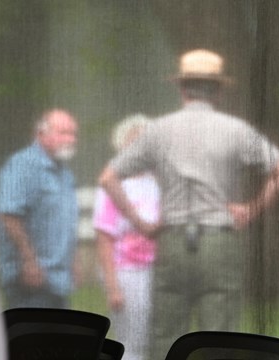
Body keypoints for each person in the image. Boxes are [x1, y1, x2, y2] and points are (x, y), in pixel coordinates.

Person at [98, 49, 279, 359]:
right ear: (218, 90)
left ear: (182, 89)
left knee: (165, 336)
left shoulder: (158, 130)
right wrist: (251, 209)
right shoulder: (235, 130)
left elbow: (108, 177)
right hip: (218, 240)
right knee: (219, 339)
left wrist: (142, 224)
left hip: (173, 240)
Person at [0, 109, 79, 309]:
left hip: (57, 279)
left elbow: (66, 220)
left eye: (73, 134)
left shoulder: (65, 174)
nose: (71, 139)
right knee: (35, 338)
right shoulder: (21, 166)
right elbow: (9, 215)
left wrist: (73, 260)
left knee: (57, 338)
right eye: (63, 133)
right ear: (41, 134)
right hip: (30, 280)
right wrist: (29, 261)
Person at [93, 114, 159, 360]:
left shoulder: (156, 181)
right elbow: (103, 237)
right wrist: (113, 286)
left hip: (156, 271)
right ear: (123, 146)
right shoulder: (113, 183)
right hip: (127, 272)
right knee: (131, 343)